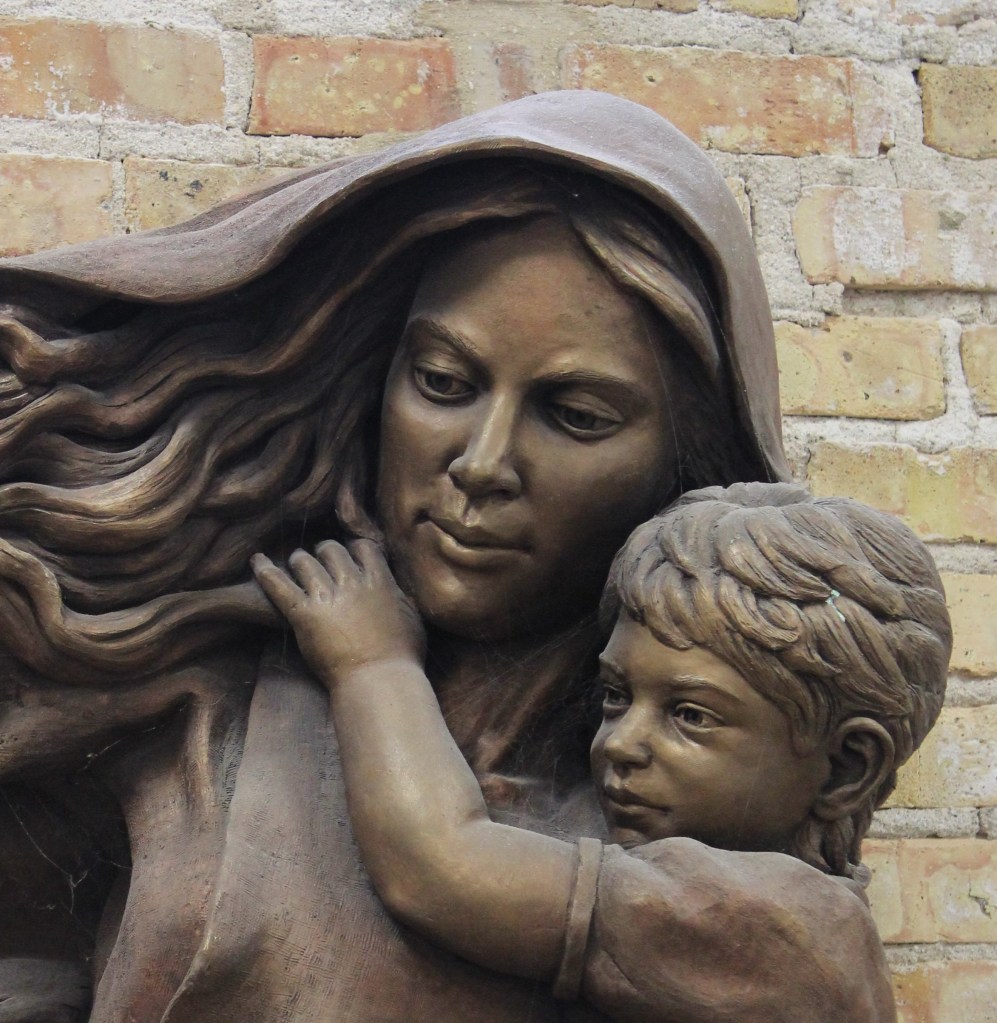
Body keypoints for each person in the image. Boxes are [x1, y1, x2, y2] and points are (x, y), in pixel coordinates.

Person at [0, 91, 856, 1021]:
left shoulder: (715, 845)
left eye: (575, 416)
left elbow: (441, 866)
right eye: (441, 382)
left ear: (683, 460)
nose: (481, 464)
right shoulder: (192, 702)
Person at [253, 482, 952, 1022]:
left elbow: (439, 868)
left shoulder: (778, 924)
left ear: (845, 766)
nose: (618, 742)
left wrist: (371, 664)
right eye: (616, 697)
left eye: (689, 715)